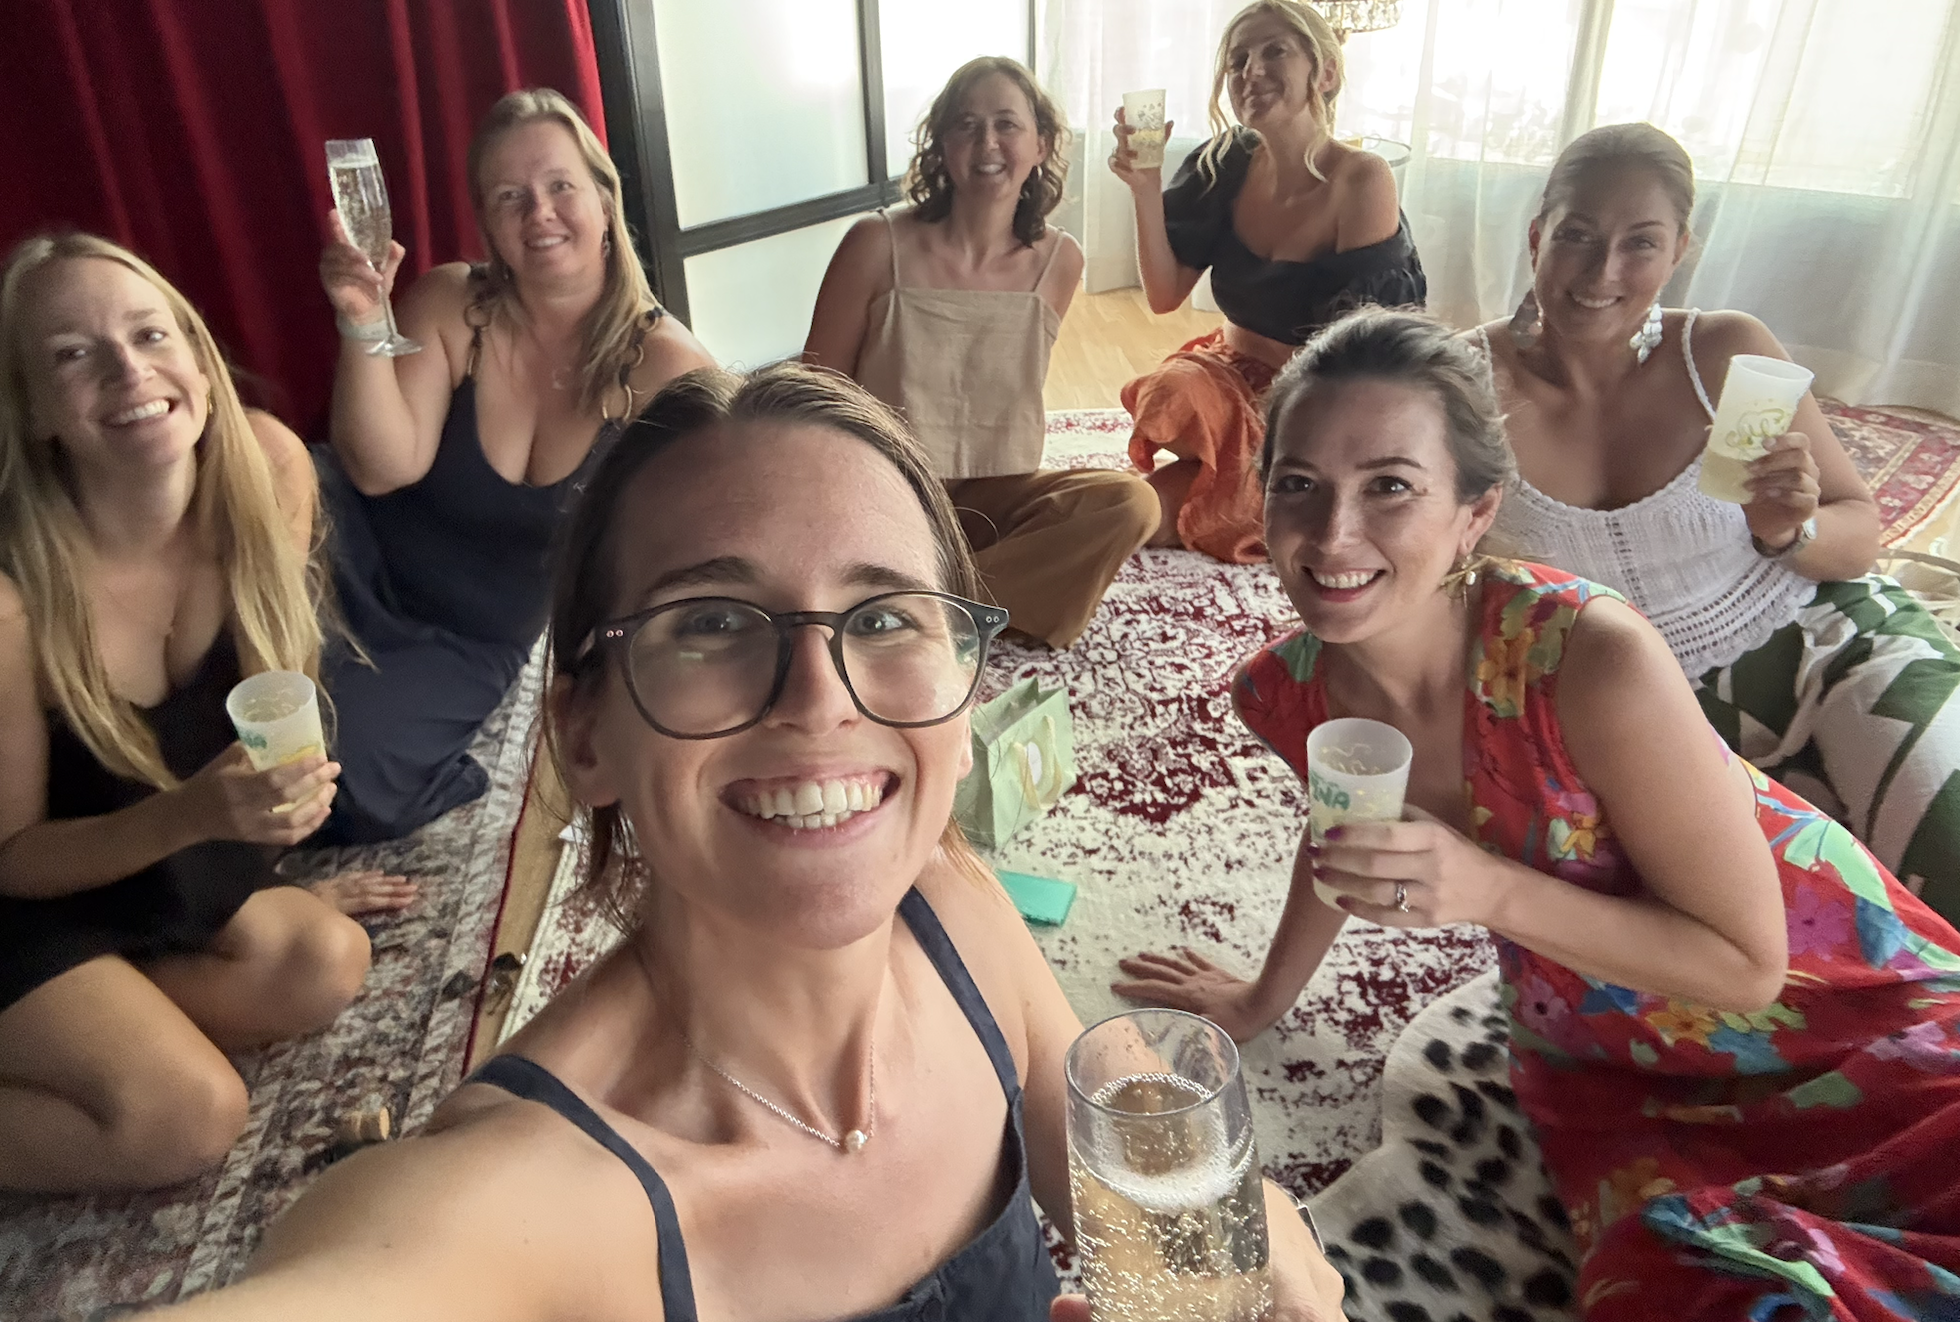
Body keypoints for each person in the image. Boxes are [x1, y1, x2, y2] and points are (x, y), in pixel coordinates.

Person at [159, 362, 1342, 1320]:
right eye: (714, 622)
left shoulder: (955, 910)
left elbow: (1122, 1135)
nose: (820, 697)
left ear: (967, 704)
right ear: (583, 734)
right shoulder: (520, 1202)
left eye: (882, 615)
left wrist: (1242, 1225)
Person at [1114, 309, 1960, 1316]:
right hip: (1612, 1065)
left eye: (1390, 486)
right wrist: (1261, 998)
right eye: (1299, 485)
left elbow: (1746, 964)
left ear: (1474, 513)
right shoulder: (1285, 693)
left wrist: (1487, 890)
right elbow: (1340, 832)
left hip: (1842, 1006)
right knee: (1692, 1288)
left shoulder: (1587, 658)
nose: (1332, 535)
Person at [1462, 121, 1960, 925]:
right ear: (1535, 237)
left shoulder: (1725, 355)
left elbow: (1858, 532)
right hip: (1640, 723)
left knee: (1948, 849)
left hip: (1826, 645)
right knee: (1800, 931)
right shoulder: (1464, 388)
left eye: (1641, 244)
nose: (1603, 272)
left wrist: (1786, 529)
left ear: (1681, 249)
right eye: (1577, 236)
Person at [0, 233, 397, 1194]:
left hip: (148, 883)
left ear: (200, 361)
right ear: (40, 413)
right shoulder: (12, 602)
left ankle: (116, 1016)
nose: (128, 370)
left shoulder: (268, 470)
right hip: (28, 906)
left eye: (149, 333)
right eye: (72, 354)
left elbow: (261, 710)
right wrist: (194, 821)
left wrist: (250, 861)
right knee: (189, 1118)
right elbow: (12, 857)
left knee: (326, 960)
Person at [314, 87, 711, 843]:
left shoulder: (668, 371)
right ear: (487, 224)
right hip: (349, 560)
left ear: (603, 197)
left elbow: (690, 549)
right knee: (239, 702)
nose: (540, 213)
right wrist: (363, 321)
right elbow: (378, 469)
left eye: (561, 185)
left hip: (468, 634)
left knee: (338, 776)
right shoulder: (449, 301)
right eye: (510, 196)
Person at [804, 56, 1158, 649]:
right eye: (966, 125)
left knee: (1130, 503)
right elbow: (816, 391)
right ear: (941, 145)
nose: (986, 142)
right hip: (889, 493)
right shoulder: (876, 243)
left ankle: (916, 607)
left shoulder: (1060, 260)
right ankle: (948, 600)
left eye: (1006, 124)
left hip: (996, 497)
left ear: (1042, 144)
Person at [1111, 0, 1427, 564]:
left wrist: (1300, 431)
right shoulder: (1225, 161)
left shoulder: (1361, 180)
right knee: (1171, 396)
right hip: (1224, 371)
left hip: (1311, 394)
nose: (1250, 71)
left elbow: (1369, 346)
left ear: (1324, 72)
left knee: (1140, 510)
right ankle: (1233, 474)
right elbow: (1163, 295)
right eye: (1237, 61)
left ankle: (1249, 482)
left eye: (1274, 51)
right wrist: (1144, 187)